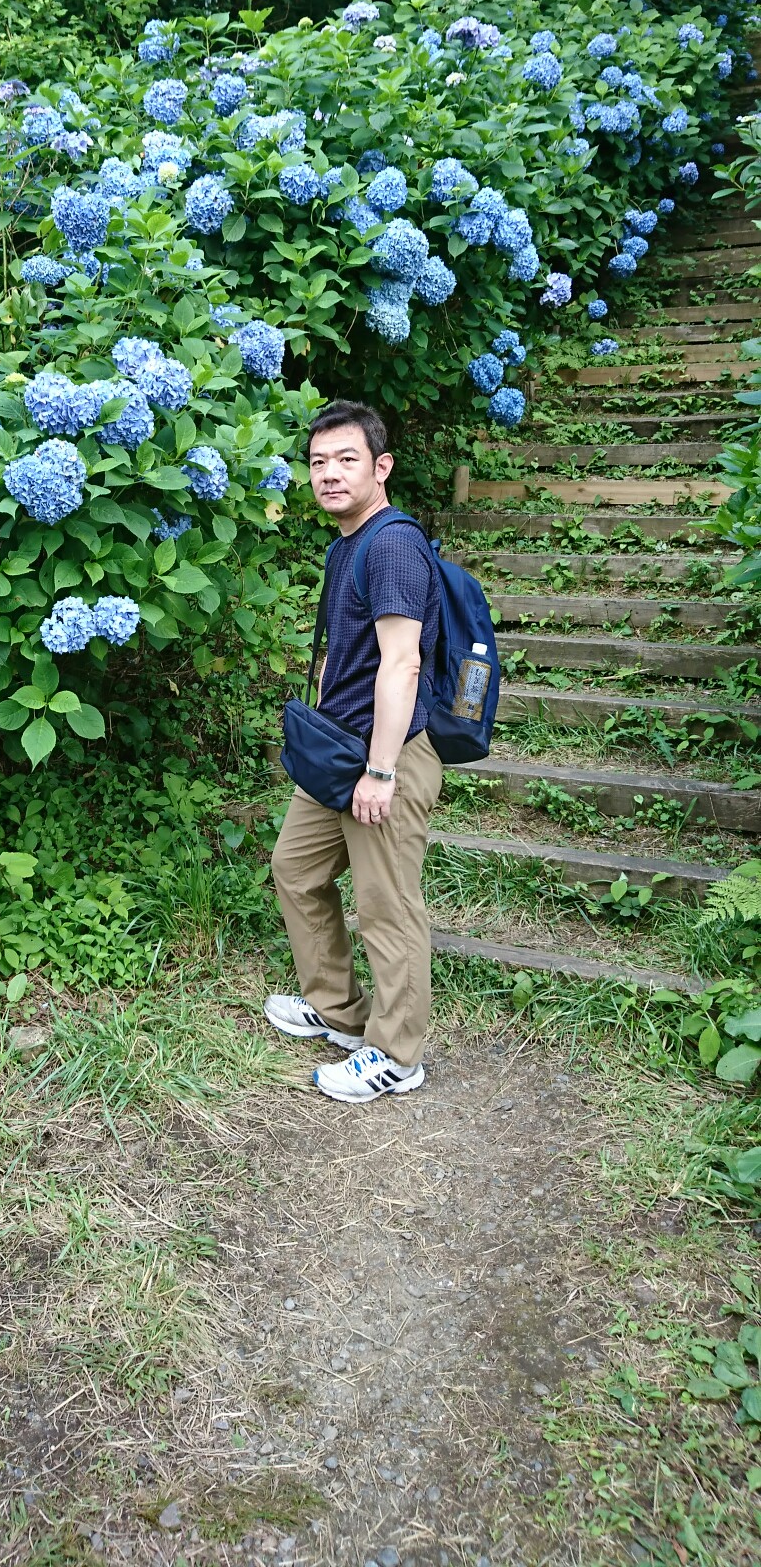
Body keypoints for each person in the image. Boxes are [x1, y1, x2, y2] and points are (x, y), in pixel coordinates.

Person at [265, 400, 443, 1102]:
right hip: (340, 753)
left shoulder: (392, 545)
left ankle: (397, 1055)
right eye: (318, 462)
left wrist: (381, 770)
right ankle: (339, 1011)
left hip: (382, 757)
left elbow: (402, 664)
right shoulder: (350, 541)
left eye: (346, 460)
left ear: (381, 466)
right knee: (295, 868)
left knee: (387, 906)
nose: (330, 474)